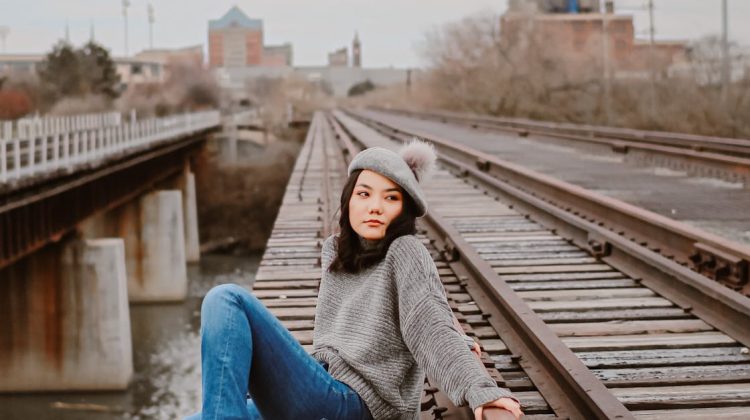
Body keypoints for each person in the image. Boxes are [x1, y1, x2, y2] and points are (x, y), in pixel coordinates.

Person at [188, 141, 523, 420]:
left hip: (355, 406)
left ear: (403, 210)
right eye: (364, 194)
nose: (375, 207)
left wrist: (480, 389)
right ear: (348, 201)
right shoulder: (335, 252)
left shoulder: (405, 252)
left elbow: (430, 325)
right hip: (324, 392)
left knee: (226, 298)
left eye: (390, 198)